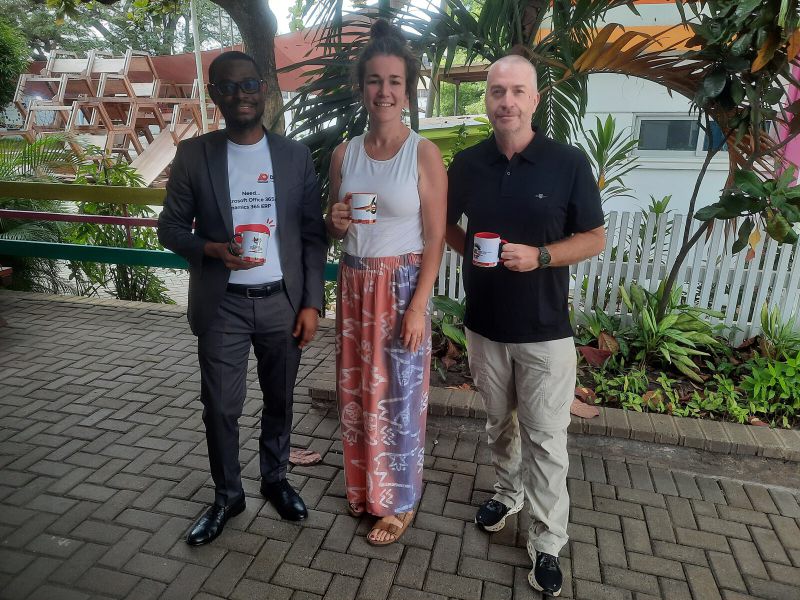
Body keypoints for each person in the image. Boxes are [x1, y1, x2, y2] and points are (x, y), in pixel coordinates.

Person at [445, 54, 605, 595]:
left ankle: (548, 539)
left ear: (535, 99)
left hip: (544, 330)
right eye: (497, 91)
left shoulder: (568, 163)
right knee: (500, 426)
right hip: (484, 326)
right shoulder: (468, 164)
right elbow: (443, 223)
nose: (506, 101)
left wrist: (541, 257)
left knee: (546, 440)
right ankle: (507, 494)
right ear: (487, 99)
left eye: (517, 91)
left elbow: (594, 238)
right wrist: (471, 252)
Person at [158, 50, 327, 546]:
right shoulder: (195, 155)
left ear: (263, 89)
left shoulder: (294, 156)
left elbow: (312, 236)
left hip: (282, 303)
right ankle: (228, 495)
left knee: (280, 400)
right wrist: (211, 249)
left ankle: (275, 479)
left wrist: (312, 303)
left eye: (249, 84)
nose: (241, 95)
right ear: (215, 95)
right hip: (223, 304)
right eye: (228, 87)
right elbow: (169, 228)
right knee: (220, 407)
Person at [325, 19, 447, 546]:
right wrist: (334, 222)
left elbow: (436, 238)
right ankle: (364, 490)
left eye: (394, 81)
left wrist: (418, 306)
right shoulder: (344, 154)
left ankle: (399, 502)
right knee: (356, 394)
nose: (384, 91)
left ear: (408, 89)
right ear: (362, 87)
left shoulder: (423, 153)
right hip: (354, 284)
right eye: (375, 80)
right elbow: (337, 227)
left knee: (399, 397)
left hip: (400, 288)